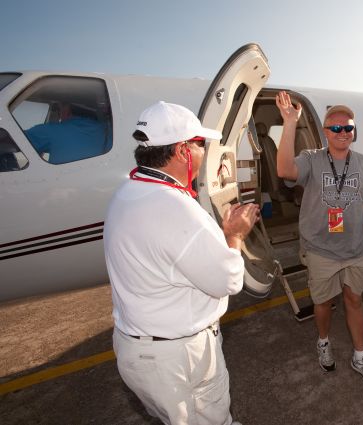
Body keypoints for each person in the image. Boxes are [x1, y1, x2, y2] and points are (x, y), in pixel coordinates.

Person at [104, 101, 259, 425]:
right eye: (199, 144)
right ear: (181, 151)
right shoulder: (175, 208)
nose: (204, 152)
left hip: (140, 353)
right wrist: (235, 235)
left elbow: (172, 251)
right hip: (178, 357)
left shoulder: (129, 193)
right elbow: (229, 281)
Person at [275, 91, 363, 388]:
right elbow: (284, 170)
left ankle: (360, 356)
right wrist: (289, 123)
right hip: (321, 248)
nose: (342, 132)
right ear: (325, 132)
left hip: (355, 250)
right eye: (335, 128)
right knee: (324, 303)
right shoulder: (311, 160)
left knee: (354, 299)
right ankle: (323, 342)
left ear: (354, 132)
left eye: (348, 128)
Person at [25, 102, 111, 164]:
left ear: (67, 109)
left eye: (59, 109)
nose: (59, 115)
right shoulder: (110, 131)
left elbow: (16, 141)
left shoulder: (51, 131)